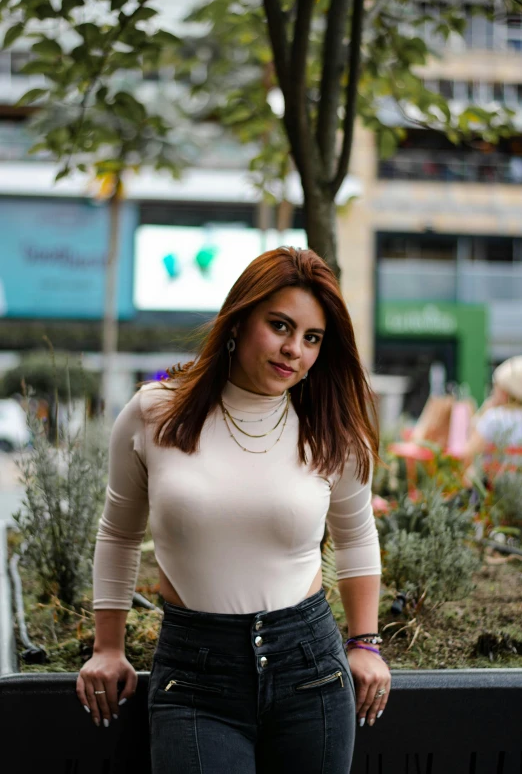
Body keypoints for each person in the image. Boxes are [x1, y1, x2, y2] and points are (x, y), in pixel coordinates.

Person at [76, 246, 390, 773]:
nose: (294, 349)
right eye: (280, 326)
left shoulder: (332, 432)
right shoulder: (155, 412)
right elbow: (118, 533)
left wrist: (366, 643)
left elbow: (357, 538)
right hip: (195, 676)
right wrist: (108, 646)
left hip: (310, 669)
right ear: (240, 319)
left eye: (312, 338)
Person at [463, 355, 522, 464]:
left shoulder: (494, 418)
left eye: (496, 386)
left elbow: (468, 454)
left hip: (497, 481)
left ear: (505, 392)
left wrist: (481, 413)